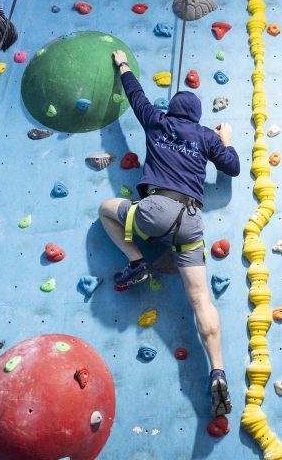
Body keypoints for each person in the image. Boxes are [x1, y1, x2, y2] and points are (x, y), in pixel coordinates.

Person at [98, 50, 241, 418]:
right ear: (197, 116)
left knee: (107, 210)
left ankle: (137, 263)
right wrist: (225, 140)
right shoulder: (206, 137)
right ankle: (218, 370)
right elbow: (232, 167)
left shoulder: (157, 121)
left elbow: (136, 96)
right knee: (201, 299)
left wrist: (123, 65)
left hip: (156, 211)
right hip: (191, 221)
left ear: (172, 110)